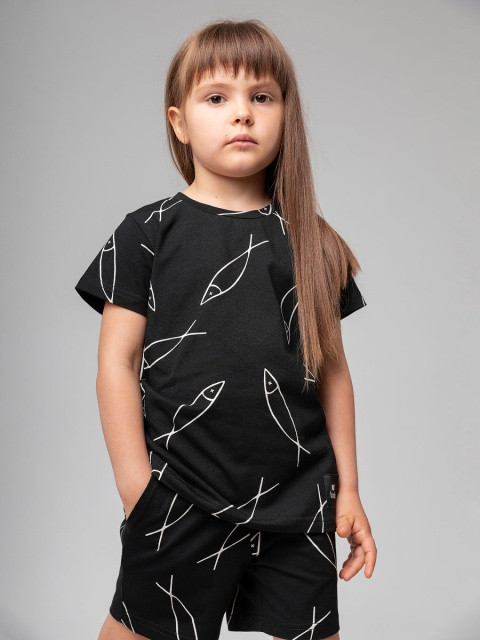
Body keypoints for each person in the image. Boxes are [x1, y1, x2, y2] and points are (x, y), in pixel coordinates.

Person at [75, 18, 377, 640]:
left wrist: (348, 491)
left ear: (285, 116)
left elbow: (334, 375)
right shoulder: (146, 234)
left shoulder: (313, 243)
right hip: (181, 493)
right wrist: (138, 492)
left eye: (261, 97)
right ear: (180, 122)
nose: (242, 113)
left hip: (298, 499)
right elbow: (115, 366)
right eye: (217, 98)